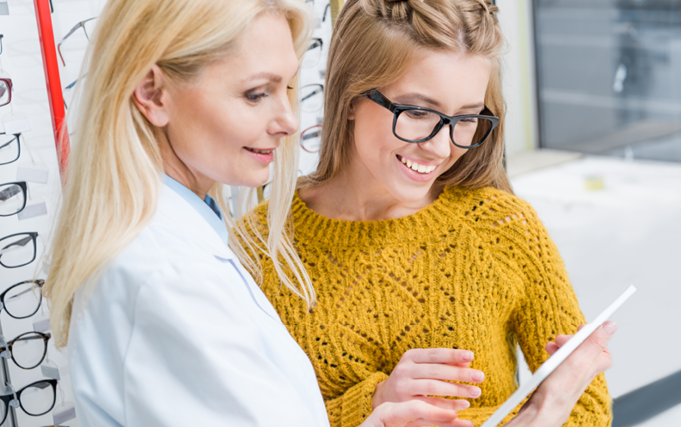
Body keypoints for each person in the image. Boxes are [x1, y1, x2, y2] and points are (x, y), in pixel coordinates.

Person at [43, 0, 473, 426]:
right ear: (154, 93)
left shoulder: (182, 242)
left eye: (286, 88)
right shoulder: (168, 276)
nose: (288, 121)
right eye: (255, 94)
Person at [241, 0, 615, 426]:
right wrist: (375, 403)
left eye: (466, 117)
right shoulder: (263, 247)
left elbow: (587, 408)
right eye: (417, 111)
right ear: (348, 97)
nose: (440, 147)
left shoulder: (502, 229)